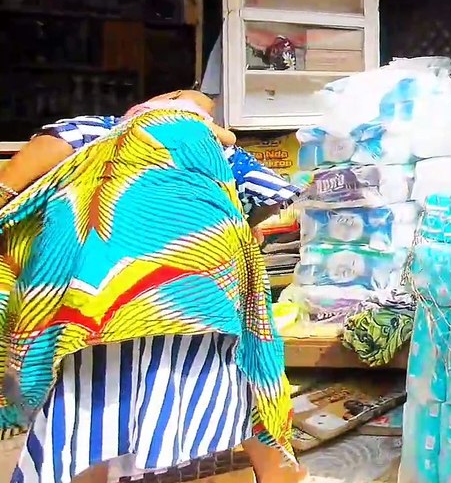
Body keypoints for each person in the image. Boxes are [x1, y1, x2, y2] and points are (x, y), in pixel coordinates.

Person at [0, 91, 303, 483]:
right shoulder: (220, 151)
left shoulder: (98, 129)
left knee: (89, 389)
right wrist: (239, 223)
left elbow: (12, 181)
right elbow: (269, 196)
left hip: (104, 286)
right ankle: (279, 472)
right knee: (237, 372)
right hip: (201, 284)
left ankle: (79, 471)